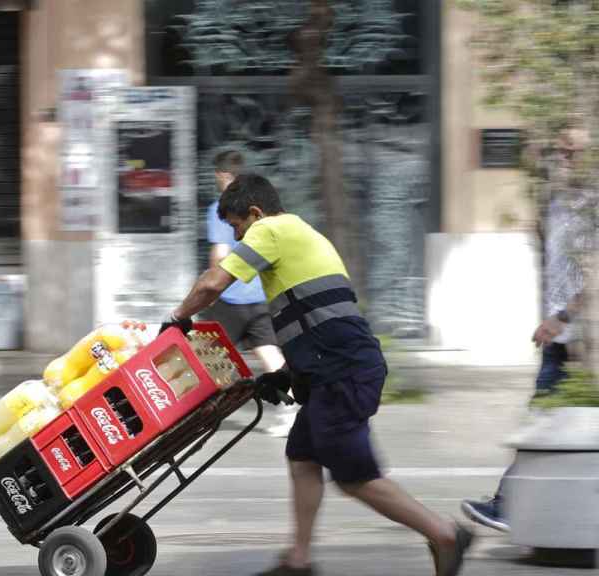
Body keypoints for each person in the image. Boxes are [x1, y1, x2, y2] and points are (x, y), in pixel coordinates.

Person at [160, 173, 474, 576]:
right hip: (337, 366)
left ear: (255, 213)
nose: (238, 238)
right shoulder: (301, 234)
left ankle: (445, 533)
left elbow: (213, 283)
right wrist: (287, 373)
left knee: (355, 478)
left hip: (342, 372)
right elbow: (319, 316)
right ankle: (298, 559)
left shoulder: (271, 229)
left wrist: (176, 319)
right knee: (303, 457)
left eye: (238, 227)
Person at [461, 128, 592, 532]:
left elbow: (594, 275)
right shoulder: (555, 202)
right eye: (560, 150)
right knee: (545, 420)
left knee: (542, 420)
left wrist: (562, 318)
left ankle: (508, 504)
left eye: (573, 152)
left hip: (579, 337)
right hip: (562, 338)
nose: (564, 158)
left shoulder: (591, 206)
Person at [205, 150, 293, 436]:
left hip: (231, 294)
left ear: (221, 175)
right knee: (267, 348)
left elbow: (220, 253)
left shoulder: (222, 207)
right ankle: (289, 406)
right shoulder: (259, 208)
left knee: (208, 355)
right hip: (260, 295)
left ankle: (205, 410)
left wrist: (212, 289)